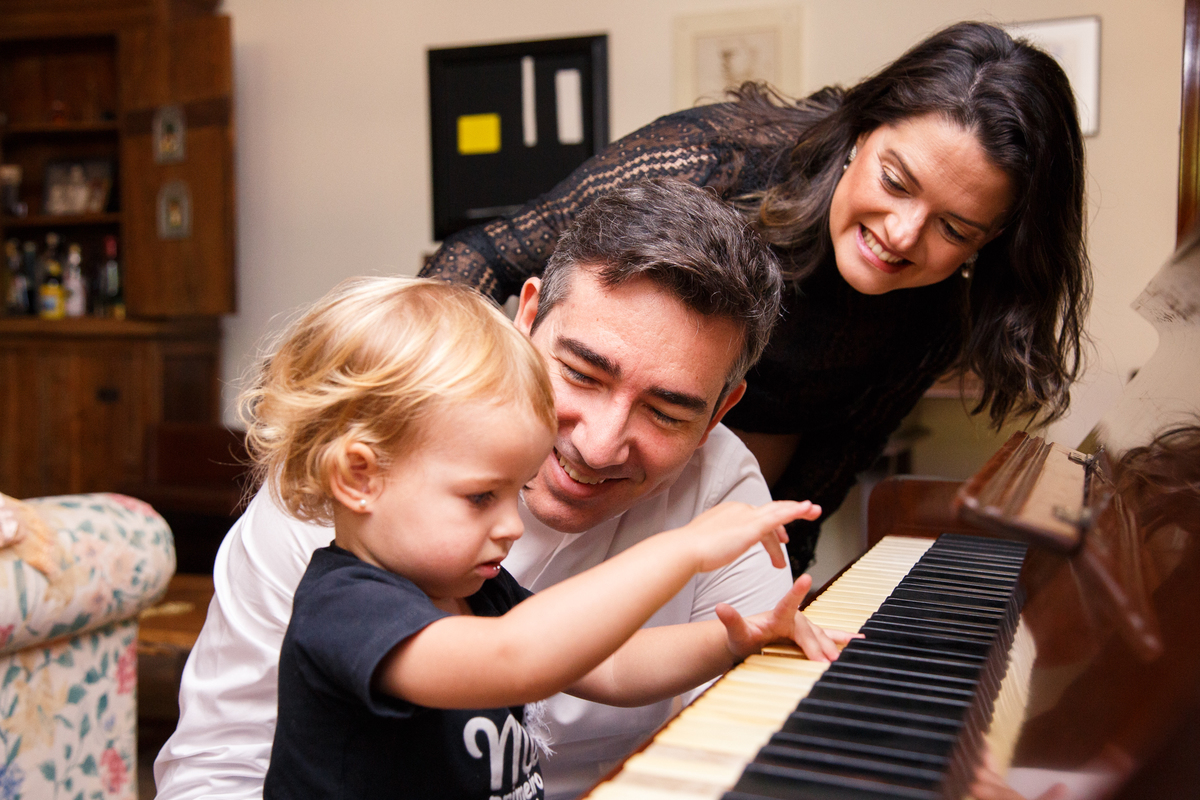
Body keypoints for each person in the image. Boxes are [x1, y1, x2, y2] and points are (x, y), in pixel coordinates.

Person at [155, 180, 842, 800]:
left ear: (718, 413)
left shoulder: (475, 582)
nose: (597, 445)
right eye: (582, 373)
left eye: (666, 411)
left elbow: (612, 663)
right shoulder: (346, 593)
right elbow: (519, 659)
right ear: (530, 317)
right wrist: (683, 553)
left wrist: (733, 640)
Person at [421, 20, 1092, 576]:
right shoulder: (718, 156)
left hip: (697, 518)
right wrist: (447, 442)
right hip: (539, 472)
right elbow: (477, 258)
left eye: (955, 229)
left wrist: (768, 622)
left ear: (991, 239)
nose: (902, 235)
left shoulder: (935, 319)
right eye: (895, 181)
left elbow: (808, 500)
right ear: (863, 132)